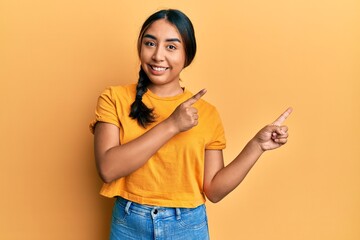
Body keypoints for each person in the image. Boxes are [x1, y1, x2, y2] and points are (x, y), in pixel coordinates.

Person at [90, 9, 292, 240]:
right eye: (150, 43)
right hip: (129, 224)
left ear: (188, 55)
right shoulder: (114, 98)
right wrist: (172, 125)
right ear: (140, 47)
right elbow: (108, 168)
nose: (158, 55)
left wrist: (257, 145)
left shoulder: (207, 113)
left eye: (171, 47)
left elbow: (214, 191)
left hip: (187, 226)